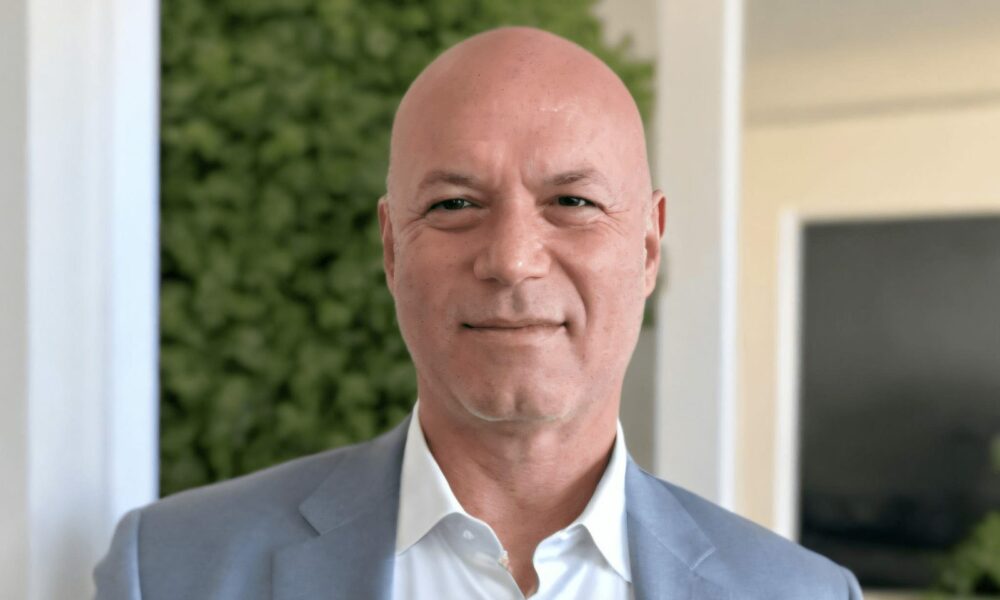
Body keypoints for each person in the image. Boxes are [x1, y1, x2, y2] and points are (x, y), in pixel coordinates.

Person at [95, 27, 862, 599]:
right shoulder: (169, 571)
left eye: (573, 202)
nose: (512, 258)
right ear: (392, 249)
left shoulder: (804, 595)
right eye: (455, 204)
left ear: (648, 247)